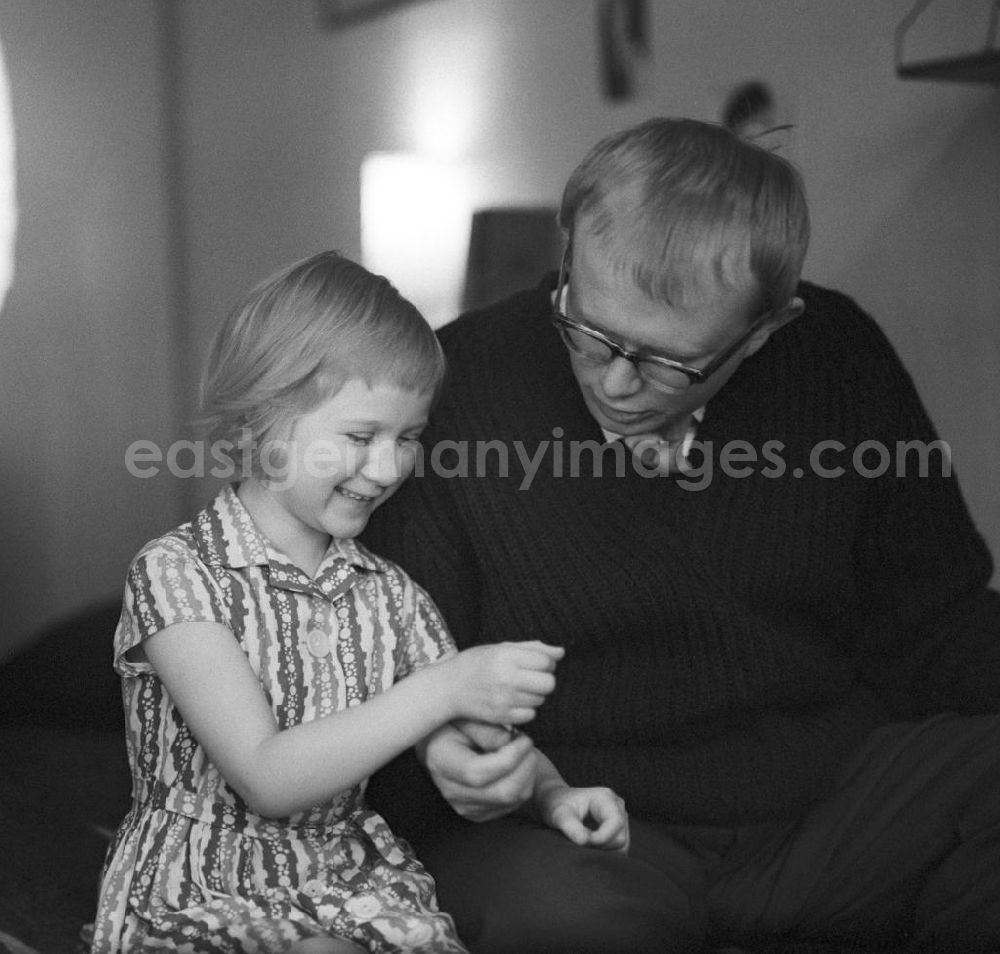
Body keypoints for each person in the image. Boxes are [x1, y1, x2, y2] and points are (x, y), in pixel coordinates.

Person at [362, 118, 1000, 954]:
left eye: (669, 363)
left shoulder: (836, 355)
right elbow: (387, 653)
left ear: (767, 329)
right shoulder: (460, 383)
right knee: (550, 919)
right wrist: (436, 747)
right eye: (588, 331)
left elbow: (935, 620)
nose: (616, 383)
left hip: (830, 800)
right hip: (576, 825)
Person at [91, 252, 628, 954]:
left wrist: (552, 794)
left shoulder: (390, 593)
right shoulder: (177, 573)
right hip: (204, 888)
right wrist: (440, 688)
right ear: (261, 419)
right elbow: (267, 777)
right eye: (359, 436)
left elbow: (473, 735)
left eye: (407, 438)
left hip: (351, 884)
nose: (387, 469)